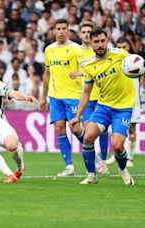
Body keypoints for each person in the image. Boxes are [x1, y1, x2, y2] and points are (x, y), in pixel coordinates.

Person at [69, 28, 135, 185]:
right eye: (96, 42)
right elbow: (86, 93)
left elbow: (137, 64)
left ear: (107, 40)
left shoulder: (120, 54)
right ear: (91, 43)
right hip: (104, 106)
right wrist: (77, 117)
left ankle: (123, 170)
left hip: (123, 107)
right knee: (88, 136)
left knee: (118, 145)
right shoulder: (89, 65)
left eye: (102, 41)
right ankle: (92, 175)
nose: (100, 45)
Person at [39, 19, 87, 177]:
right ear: (53, 31)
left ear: (68, 31)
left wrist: (79, 73)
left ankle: (94, 156)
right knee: (59, 128)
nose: (61, 31)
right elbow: (47, 74)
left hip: (73, 96)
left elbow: (87, 70)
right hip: (55, 96)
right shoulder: (49, 50)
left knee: (76, 129)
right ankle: (69, 167)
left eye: (64, 28)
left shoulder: (76, 49)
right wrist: (43, 96)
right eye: (58, 29)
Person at [69, 21, 109, 175]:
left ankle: (103, 161)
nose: (86, 34)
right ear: (80, 34)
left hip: (100, 95)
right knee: (86, 128)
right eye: (83, 32)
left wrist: (79, 73)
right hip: (85, 96)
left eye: (88, 32)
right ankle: (96, 160)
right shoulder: (76, 52)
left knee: (103, 131)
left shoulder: (98, 51)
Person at [105, 37, 140, 167]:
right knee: (116, 130)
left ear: (128, 47)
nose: (121, 50)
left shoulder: (136, 61)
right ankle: (117, 154)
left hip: (133, 101)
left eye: (123, 47)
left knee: (131, 130)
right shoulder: (115, 61)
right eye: (118, 47)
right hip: (118, 100)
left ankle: (130, 158)